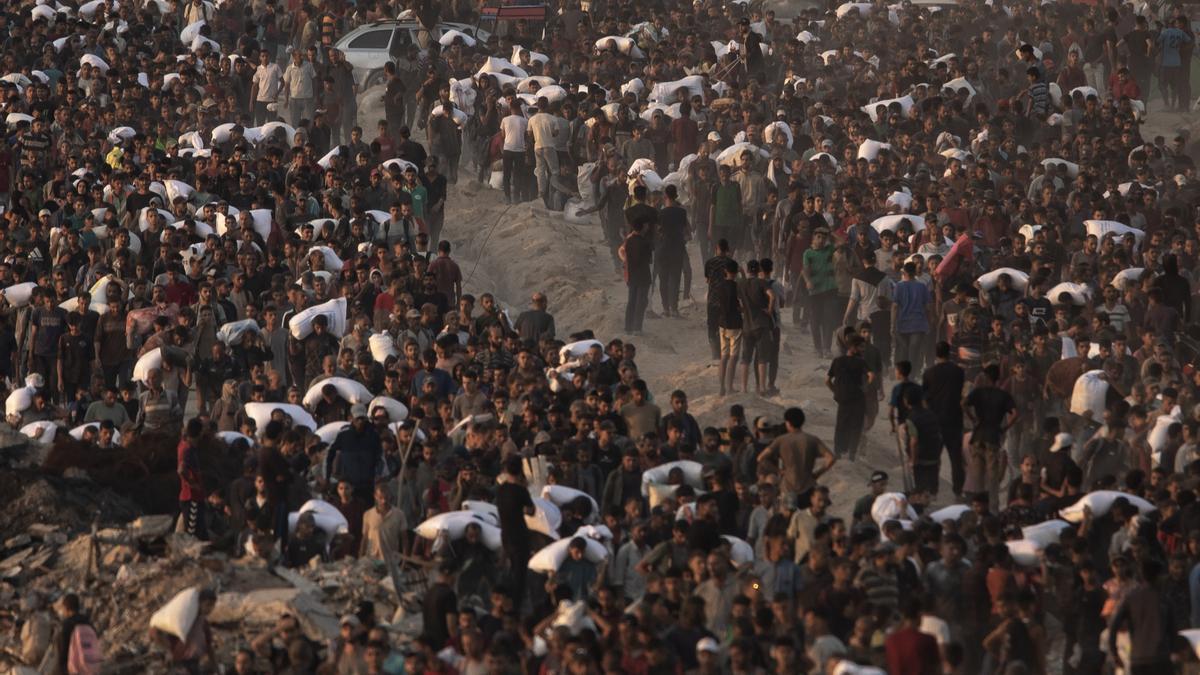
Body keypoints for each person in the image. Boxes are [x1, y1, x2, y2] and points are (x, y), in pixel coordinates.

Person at [756, 407, 836, 508]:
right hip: (808, 487)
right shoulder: (812, 440)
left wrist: (778, 471)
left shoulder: (781, 440)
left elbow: (761, 458)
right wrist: (817, 474)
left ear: (788, 423)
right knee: (807, 516)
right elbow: (831, 458)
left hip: (788, 488)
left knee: (788, 515)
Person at [827, 334, 871, 460]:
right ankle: (852, 454)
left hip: (843, 398)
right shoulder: (861, 362)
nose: (863, 350)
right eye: (861, 347)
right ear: (853, 347)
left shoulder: (837, 361)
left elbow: (827, 380)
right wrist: (865, 387)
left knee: (841, 424)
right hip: (857, 398)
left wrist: (836, 391)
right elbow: (871, 375)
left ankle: (838, 451)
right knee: (856, 426)